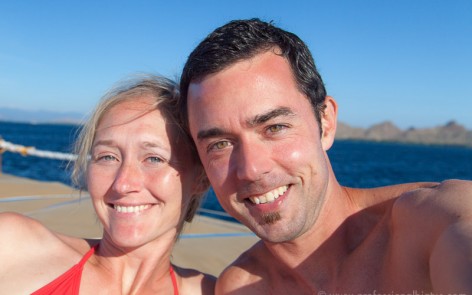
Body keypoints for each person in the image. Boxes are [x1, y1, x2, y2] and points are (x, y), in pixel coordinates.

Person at [179, 18, 472, 294]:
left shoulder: (429, 222)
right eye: (220, 144)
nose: (251, 169)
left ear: (326, 122)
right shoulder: (240, 287)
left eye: (275, 127)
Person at [0, 75, 215, 294]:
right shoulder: (13, 247)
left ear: (201, 178)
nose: (122, 184)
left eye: (153, 158)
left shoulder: (214, 291)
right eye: (107, 157)